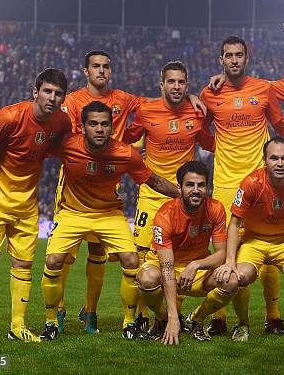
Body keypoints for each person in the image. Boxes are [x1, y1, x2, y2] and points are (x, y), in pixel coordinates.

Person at [55, 50, 205, 335]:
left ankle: (93, 313)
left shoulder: (124, 100)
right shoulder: (72, 101)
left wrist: (191, 96)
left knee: (100, 252)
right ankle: (57, 310)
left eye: (106, 66)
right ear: (85, 71)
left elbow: (159, 103)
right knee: (63, 256)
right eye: (95, 66)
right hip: (75, 185)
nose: (101, 70)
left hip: (107, 185)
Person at [39, 101, 179, 341]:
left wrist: (180, 193)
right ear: (82, 127)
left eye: (104, 124)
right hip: (72, 213)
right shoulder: (67, 145)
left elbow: (152, 181)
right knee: (53, 261)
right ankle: (51, 322)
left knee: (131, 258)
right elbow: (36, 149)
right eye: (93, 124)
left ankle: (129, 323)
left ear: (112, 128)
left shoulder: (125, 154)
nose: (99, 129)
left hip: (108, 214)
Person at [199, 35, 284, 335]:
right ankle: (220, 317)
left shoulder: (263, 88)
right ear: (221, 60)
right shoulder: (209, 93)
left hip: (261, 182)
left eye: (239, 54)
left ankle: (273, 316)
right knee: (225, 249)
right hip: (226, 183)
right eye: (228, 55)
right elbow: (201, 133)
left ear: (246, 57)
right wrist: (225, 148)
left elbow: (279, 124)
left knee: (266, 246)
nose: (234, 60)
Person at [0, 68, 72, 345]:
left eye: (58, 93)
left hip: (27, 205)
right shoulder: (9, 116)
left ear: (63, 98)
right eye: (47, 91)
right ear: (35, 92)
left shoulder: (62, 123)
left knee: (24, 264)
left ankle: (18, 326)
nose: (52, 97)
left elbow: (62, 147)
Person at [122, 60, 215, 332]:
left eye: (181, 82)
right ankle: (141, 317)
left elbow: (209, 143)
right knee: (140, 257)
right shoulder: (146, 110)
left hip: (183, 199)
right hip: (151, 195)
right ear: (161, 84)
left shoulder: (196, 113)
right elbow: (127, 138)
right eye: (171, 82)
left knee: (182, 256)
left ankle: (173, 315)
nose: (176, 87)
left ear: (187, 85)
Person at [214, 137, 284, 343]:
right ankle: (242, 324)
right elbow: (234, 223)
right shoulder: (251, 183)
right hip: (254, 241)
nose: (279, 163)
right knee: (239, 276)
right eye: (274, 158)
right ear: (265, 161)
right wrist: (229, 261)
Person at [136, 161, 237, 344]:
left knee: (231, 281)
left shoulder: (216, 209)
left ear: (207, 187)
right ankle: (163, 318)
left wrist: (196, 264)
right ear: (179, 188)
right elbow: (167, 268)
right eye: (190, 185)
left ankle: (195, 319)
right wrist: (173, 317)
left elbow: (222, 254)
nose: (196, 190)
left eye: (201, 185)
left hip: (196, 272)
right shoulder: (165, 215)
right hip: (165, 268)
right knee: (147, 278)